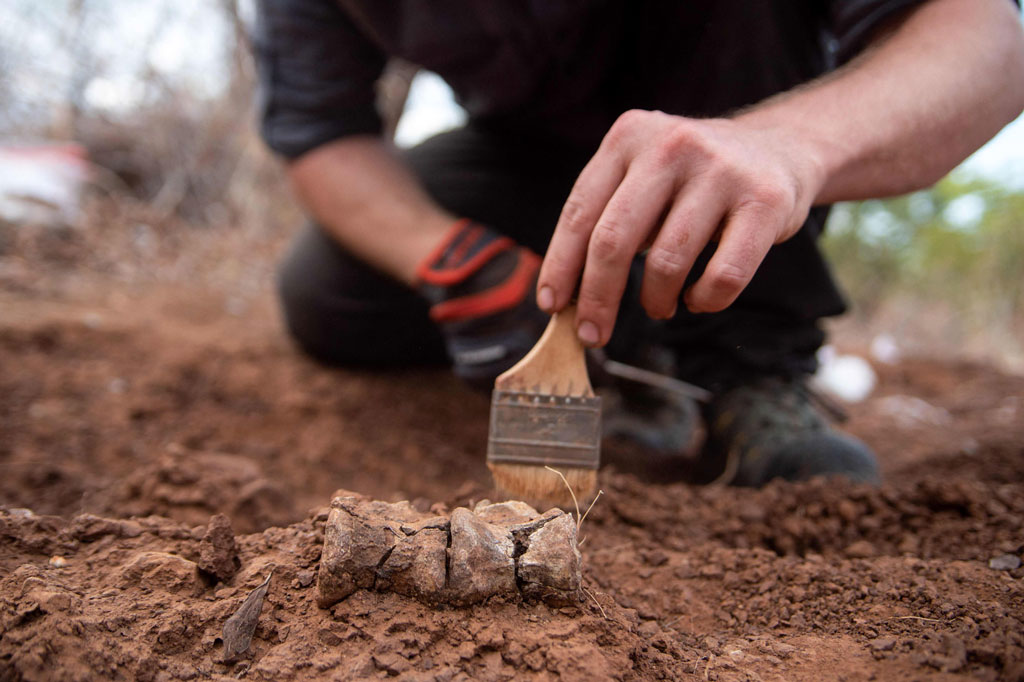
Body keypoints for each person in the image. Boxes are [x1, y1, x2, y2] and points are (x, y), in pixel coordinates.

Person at [254, 0, 1024, 487]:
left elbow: (988, 46)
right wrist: (450, 258)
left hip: (746, 112)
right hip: (528, 154)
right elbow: (322, 135)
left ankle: (747, 371)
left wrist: (787, 146)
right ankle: (629, 362)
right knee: (328, 293)